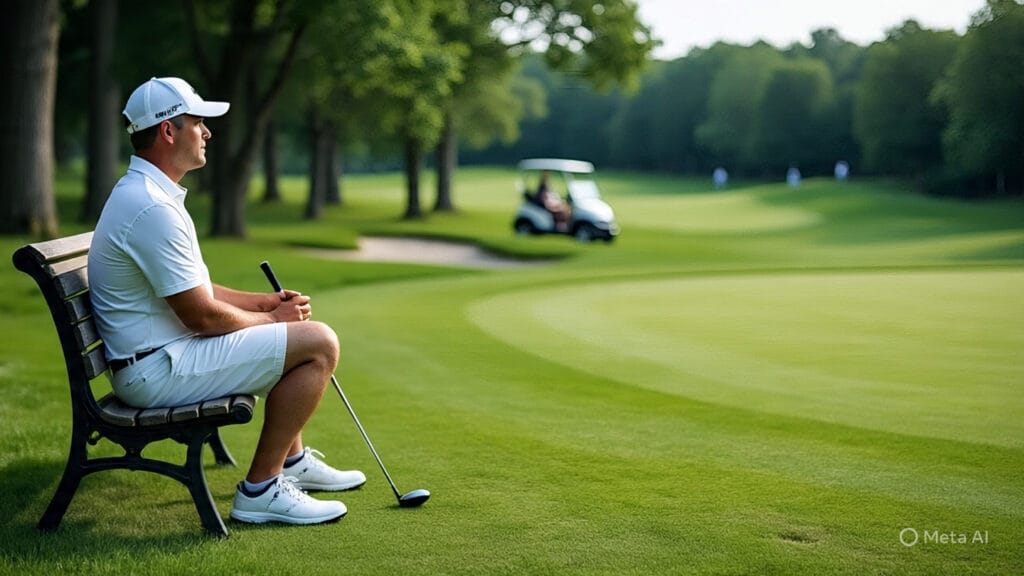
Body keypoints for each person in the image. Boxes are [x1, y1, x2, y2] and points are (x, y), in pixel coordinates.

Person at [89, 77, 365, 526]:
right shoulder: (151, 207)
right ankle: (260, 490)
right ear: (168, 131)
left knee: (296, 336)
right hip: (154, 371)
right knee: (318, 343)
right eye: (198, 121)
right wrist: (274, 320)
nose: (208, 132)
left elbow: (199, 288)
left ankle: (291, 465)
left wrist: (264, 304)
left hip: (160, 357)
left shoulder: (153, 194)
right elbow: (201, 315)